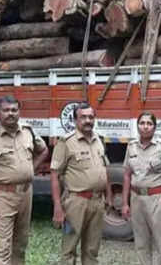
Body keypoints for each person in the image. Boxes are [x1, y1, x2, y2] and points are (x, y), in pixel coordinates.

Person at [0, 95, 48, 265]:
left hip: (25, 194)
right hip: (2, 196)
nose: (10, 114)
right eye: (6, 110)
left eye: (14, 110)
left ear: (19, 111)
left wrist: (30, 169)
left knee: (20, 245)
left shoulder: (28, 132)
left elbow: (43, 151)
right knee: (2, 249)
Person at [50, 101, 112, 265]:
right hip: (75, 202)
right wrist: (57, 207)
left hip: (97, 202)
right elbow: (55, 174)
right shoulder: (66, 142)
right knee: (69, 249)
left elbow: (104, 169)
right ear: (75, 120)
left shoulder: (99, 140)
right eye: (83, 117)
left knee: (92, 250)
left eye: (91, 117)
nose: (87, 120)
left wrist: (109, 197)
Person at [121, 111, 161, 265]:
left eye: (149, 124)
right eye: (142, 123)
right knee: (140, 241)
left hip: (157, 198)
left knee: (160, 242)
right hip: (136, 198)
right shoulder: (131, 146)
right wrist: (125, 203)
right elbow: (127, 175)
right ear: (137, 125)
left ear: (154, 127)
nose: (145, 127)